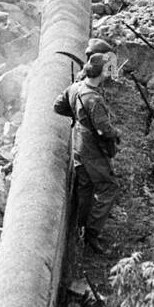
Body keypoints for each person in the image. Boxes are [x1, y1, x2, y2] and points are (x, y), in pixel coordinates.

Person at [53, 55, 120, 254]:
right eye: (107, 70)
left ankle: (81, 228)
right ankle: (92, 233)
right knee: (109, 187)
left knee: (85, 186)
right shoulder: (94, 99)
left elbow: (58, 106)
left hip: (78, 144)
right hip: (93, 149)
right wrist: (117, 133)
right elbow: (103, 130)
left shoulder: (75, 88)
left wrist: (79, 119)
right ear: (100, 73)